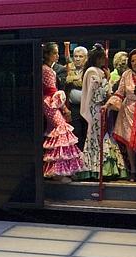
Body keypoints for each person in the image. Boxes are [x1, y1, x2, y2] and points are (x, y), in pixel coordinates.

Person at [77, 44, 128, 180]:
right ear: (97, 58)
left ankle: (105, 168)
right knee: (97, 137)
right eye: (102, 58)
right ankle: (95, 168)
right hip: (96, 109)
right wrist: (107, 80)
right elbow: (97, 95)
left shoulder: (99, 71)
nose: (104, 61)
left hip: (104, 108)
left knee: (104, 134)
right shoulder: (92, 72)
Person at [41, 42, 85, 182]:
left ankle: (60, 170)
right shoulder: (46, 69)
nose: (57, 55)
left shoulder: (47, 68)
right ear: (48, 54)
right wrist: (65, 109)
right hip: (50, 102)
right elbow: (52, 90)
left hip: (50, 101)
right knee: (62, 130)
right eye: (54, 53)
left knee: (59, 132)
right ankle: (58, 172)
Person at [105, 48, 136, 182]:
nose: (135, 63)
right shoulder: (126, 74)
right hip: (128, 111)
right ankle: (133, 171)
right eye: (132, 61)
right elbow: (120, 93)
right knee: (130, 143)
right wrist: (108, 104)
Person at [65, 45, 88, 150]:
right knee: (76, 131)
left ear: (86, 58)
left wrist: (73, 80)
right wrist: (75, 79)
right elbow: (66, 80)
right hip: (74, 107)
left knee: (86, 131)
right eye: (75, 56)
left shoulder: (89, 70)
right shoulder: (69, 68)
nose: (77, 59)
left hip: (87, 106)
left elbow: (84, 83)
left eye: (80, 56)